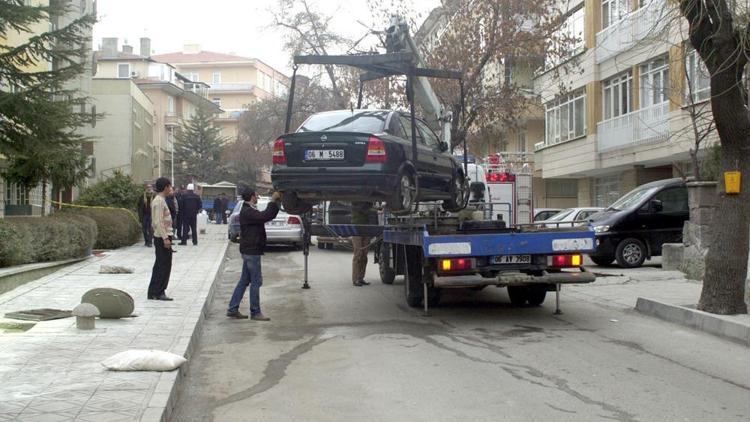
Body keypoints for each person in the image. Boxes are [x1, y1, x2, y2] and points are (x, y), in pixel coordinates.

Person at [226, 188, 282, 321]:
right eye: (256, 195)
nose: (257, 196)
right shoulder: (248, 211)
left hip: (249, 250)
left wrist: (275, 204)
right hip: (252, 251)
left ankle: (233, 308)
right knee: (256, 281)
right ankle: (255, 312)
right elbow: (265, 216)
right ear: (252, 197)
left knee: (244, 280)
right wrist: (273, 201)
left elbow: (267, 216)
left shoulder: (249, 210)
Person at [148, 177, 175, 301]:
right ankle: (158, 291)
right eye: (170, 186)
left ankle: (155, 291)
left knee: (161, 264)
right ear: (165, 187)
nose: (171, 189)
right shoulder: (159, 201)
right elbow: (158, 221)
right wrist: (165, 238)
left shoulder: (160, 200)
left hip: (162, 236)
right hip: (161, 237)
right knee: (163, 265)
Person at [351, 201, 377, 287]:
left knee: (364, 255)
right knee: (358, 254)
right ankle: (355, 279)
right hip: (357, 228)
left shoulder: (368, 200)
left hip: (366, 227)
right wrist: (376, 210)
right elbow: (362, 209)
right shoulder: (356, 200)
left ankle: (361, 278)